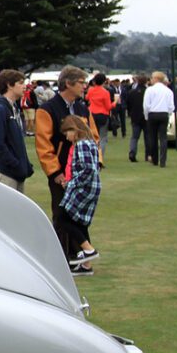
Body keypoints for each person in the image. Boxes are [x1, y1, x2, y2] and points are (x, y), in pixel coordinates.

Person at [35, 65, 99, 264]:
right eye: (81, 83)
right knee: (62, 215)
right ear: (68, 83)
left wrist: (97, 163)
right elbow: (43, 144)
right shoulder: (47, 109)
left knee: (78, 216)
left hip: (82, 172)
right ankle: (64, 258)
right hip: (61, 173)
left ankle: (82, 256)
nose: (84, 87)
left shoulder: (82, 108)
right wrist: (55, 172)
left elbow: (94, 136)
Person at [57, 116, 102, 277]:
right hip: (89, 186)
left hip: (85, 188)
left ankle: (89, 250)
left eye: (67, 133)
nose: (66, 137)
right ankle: (86, 265)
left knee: (62, 217)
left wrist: (71, 183)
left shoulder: (82, 144)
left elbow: (88, 170)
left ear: (75, 130)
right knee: (80, 222)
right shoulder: (89, 142)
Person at [0, 69, 33, 192]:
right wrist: (15, 164)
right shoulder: (0, 109)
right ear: (9, 85)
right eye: (20, 83)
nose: (24, 86)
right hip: (5, 172)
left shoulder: (14, 108)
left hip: (16, 172)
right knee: (7, 210)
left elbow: (17, 142)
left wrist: (25, 165)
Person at [143, 71, 175, 167]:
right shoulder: (168, 91)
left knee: (152, 137)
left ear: (156, 79)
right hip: (164, 114)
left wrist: (146, 116)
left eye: (152, 78)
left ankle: (155, 159)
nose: (151, 80)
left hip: (153, 114)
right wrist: (168, 113)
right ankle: (163, 160)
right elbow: (171, 106)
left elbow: (146, 105)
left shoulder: (149, 90)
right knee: (163, 137)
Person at [86, 73, 113, 161]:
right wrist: (115, 102)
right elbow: (108, 106)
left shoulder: (91, 90)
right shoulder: (105, 92)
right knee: (103, 137)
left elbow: (86, 98)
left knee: (92, 136)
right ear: (104, 81)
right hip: (102, 114)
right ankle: (100, 158)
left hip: (92, 114)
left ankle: (92, 155)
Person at [124, 73, 149, 162]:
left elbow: (128, 104)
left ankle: (132, 153)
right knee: (147, 137)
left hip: (135, 116)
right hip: (146, 117)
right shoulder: (148, 91)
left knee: (134, 137)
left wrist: (131, 113)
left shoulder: (132, 92)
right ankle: (148, 154)